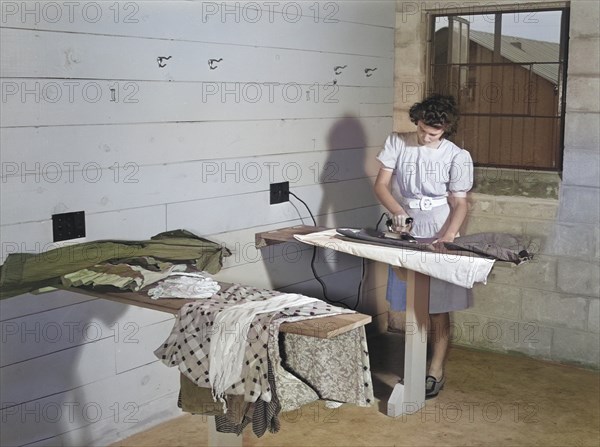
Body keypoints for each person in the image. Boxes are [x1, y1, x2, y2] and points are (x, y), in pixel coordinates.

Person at [373, 94, 473, 398]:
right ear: (416, 121)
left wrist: (448, 237)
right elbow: (381, 185)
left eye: (435, 134)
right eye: (424, 130)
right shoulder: (398, 142)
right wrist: (399, 213)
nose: (428, 137)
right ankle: (413, 365)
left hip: (441, 225)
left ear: (445, 130)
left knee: (438, 307)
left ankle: (435, 370)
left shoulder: (457, 155)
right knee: (411, 302)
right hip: (407, 225)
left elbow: (460, 203)